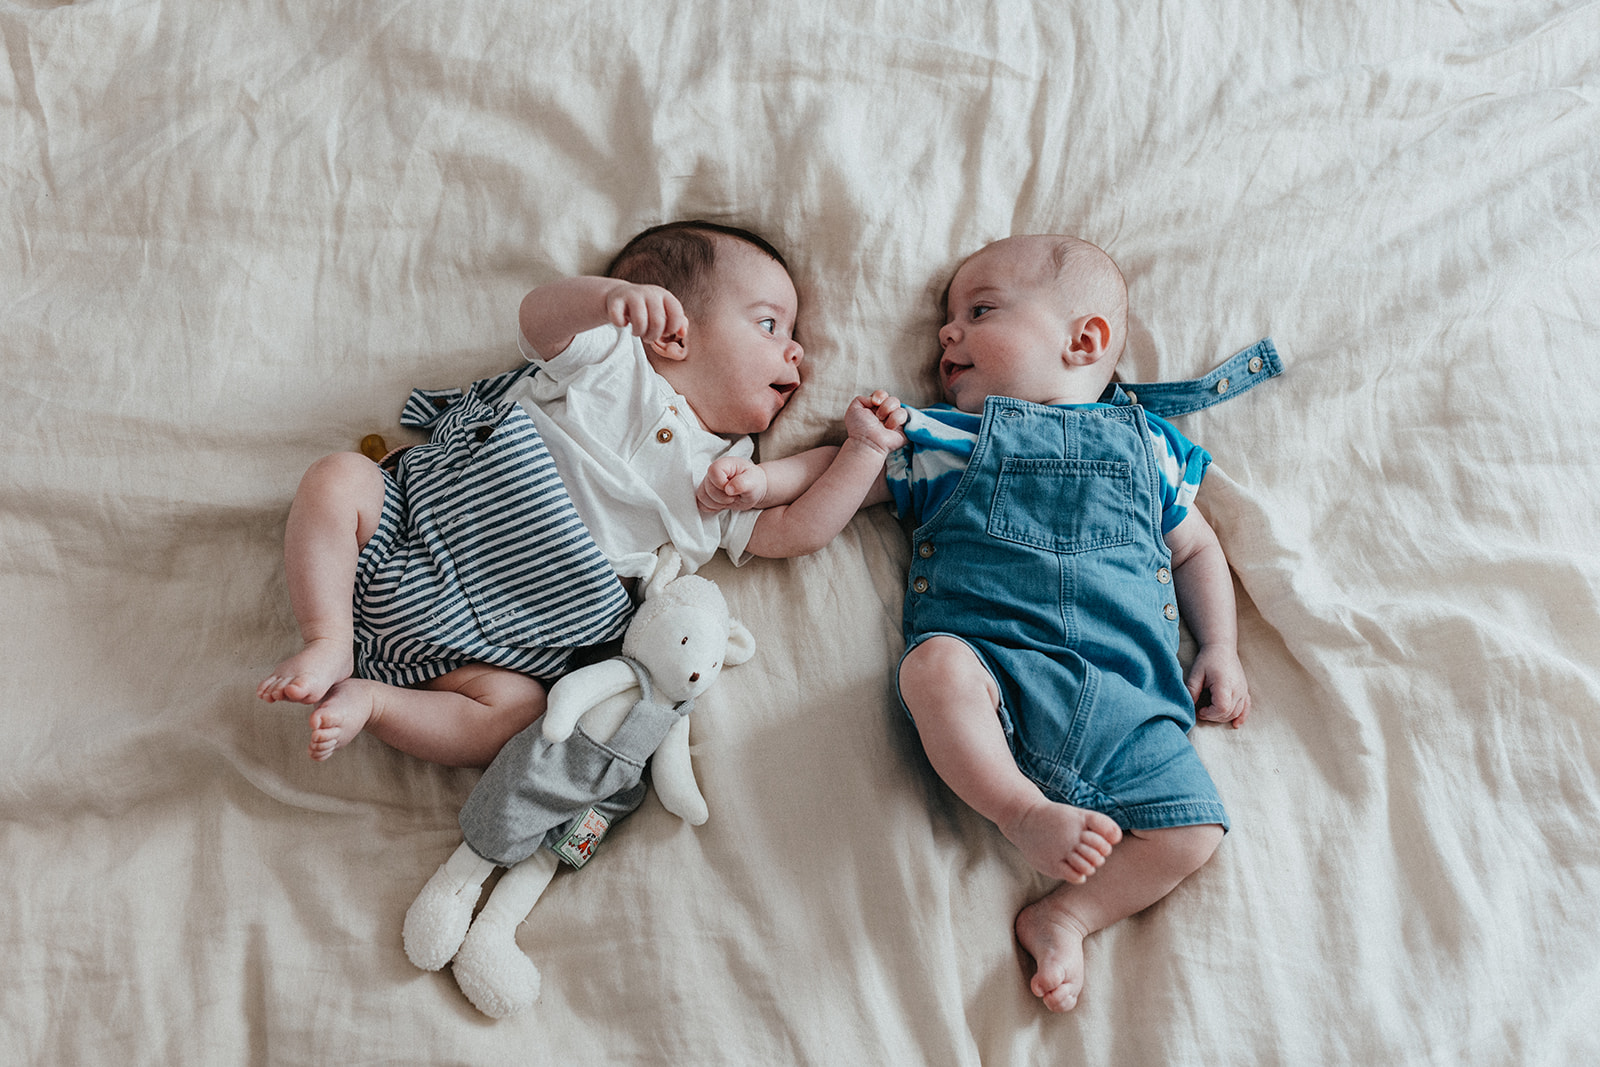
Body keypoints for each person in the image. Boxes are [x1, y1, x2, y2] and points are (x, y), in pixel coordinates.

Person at [258, 221, 905, 767]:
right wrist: (610, 300)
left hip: (490, 647)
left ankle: (376, 700)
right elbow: (538, 321)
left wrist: (866, 452)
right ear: (672, 333)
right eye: (769, 323)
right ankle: (329, 636)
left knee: (519, 713)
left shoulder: (726, 472)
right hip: (408, 534)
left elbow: (795, 529)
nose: (796, 350)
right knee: (339, 478)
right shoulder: (608, 363)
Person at [884, 235, 1252, 1013]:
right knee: (931, 670)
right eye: (947, 319)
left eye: (978, 311)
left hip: (1126, 701)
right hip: (998, 670)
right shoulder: (949, 436)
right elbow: (842, 474)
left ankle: (1067, 913)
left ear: (1082, 340)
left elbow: (1194, 548)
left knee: (1194, 828)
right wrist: (763, 478)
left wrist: (1220, 643)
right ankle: (1020, 809)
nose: (947, 333)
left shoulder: (1152, 446)